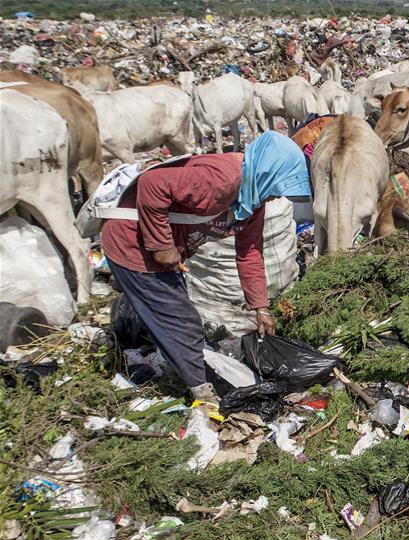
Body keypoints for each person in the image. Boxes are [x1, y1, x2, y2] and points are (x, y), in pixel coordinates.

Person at [101, 131, 311, 402]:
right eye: (276, 188)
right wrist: (162, 245)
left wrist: (261, 307)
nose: (274, 199)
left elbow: (249, 253)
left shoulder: (251, 202)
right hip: (132, 245)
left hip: (164, 254)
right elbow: (152, 183)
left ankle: (186, 367)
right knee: (184, 323)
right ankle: (203, 393)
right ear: (265, 172)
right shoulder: (222, 179)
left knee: (178, 318)